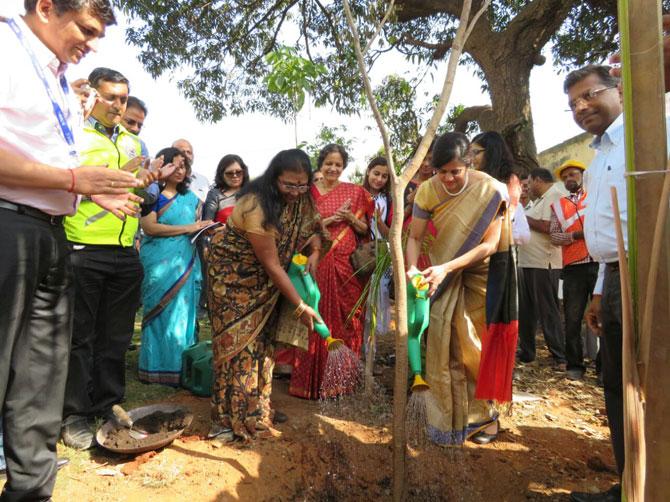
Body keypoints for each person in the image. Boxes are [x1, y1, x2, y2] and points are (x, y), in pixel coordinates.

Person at [0, 1, 142, 498]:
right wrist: (71, 179)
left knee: (40, 381)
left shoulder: (59, 76)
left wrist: (83, 189)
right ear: (43, 8)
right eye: (85, 28)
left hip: (50, 233)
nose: (92, 43)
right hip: (8, 227)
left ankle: (30, 492)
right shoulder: (5, 50)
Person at [208, 149, 323, 441]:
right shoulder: (256, 204)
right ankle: (230, 416)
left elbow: (315, 228)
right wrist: (300, 306)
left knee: (264, 344)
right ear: (274, 179)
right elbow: (271, 264)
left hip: (268, 283)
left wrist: (315, 251)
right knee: (241, 348)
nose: (296, 192)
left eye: (302, 185)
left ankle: (257, 409)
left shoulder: (302, 200)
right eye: (289, 185)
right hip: (235, 283)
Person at [61, 67, 147, 450]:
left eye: (123, 98)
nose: (118, 105)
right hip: (82, 248)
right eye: (110, 97)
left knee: (115, 337)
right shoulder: (72, 134)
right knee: (80, 337)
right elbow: (63, 181)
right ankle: (74, 413)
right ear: (93, 95)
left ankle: (108, 403)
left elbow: (129, 183)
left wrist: (142, 179)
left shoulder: (133, 143)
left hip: (125, 252)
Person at [406, 132, 508, 446]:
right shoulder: (426, 191)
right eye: (441, 172)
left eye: (455, 172)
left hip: (477, 275)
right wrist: (412, 269)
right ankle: (445, 421)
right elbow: (414, 238)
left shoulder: (491, 190)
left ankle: (484, 419)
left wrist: (447, 268)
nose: (448, 179)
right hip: (439, 275)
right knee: (439, 342)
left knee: (473, 344)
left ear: (468, 163)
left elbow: (490, 244)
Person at [564, 65, 627, 502]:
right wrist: (603, 291)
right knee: (619, 385)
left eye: (589, 95)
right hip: (616, 275)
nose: (581, 107)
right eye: (573, 104)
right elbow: (609, 233)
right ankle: (632, 482)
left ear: (618, 90)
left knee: (651, 384)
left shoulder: (648, 133)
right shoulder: (600, 155)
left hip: (651, 272)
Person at [289, 144, 373, 399]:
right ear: (321, 164)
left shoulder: (356, 193)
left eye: (338, 164)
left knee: (349, 318)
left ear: (344, 167)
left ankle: (344, 380)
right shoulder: (308, 194)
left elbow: (365, 229)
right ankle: (312, 383)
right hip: (316, 261)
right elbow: (299, 229)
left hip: (346, 264)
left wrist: (349, 218)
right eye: (329, 163)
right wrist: (329, 220)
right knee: (314, 315)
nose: (333, 168)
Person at [138, 147, 211, 385]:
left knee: (183, 314)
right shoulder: (152, 195)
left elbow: (195, 226)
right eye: (176, 165)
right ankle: (154, 369)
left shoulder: (192, 199)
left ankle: (182, 370)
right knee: (159, 315)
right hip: (159, 263)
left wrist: (204, 227)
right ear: (164, 165)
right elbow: (150, 228)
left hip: (186, 262)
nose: (181, 171)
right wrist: (187, 228)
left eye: (184, 166)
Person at [549, 160, 599, 381]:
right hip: (573, 268)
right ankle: (575, 366)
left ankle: (605, 370)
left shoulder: (596, 196)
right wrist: (578, 236)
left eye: (573, 174)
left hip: (600, 263)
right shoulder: (558, 206)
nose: (570, 178)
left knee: (604, 316)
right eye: (566, 176)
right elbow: (554, 236)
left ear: (582, 175)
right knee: (572, 318)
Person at [516, 167, 567, 368]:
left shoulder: (555, 194)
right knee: (526, 310)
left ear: (538, 180)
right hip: (527, 262)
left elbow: (550, 227)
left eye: (529, 183)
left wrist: (522, 218)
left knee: (548, 309)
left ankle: (559, 355)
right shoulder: (536, 202)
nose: (527, 188)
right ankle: (527, 352)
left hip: (544, 263)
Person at [470, 131, 530, 245]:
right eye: (470, 153)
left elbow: (523, 235)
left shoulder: (509, 183)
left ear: (492, 152)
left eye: (476, 152)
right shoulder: (474, 181)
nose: (472, 158)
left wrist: (492, 234)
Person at [361, 156, 393, 366]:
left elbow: (391, 233)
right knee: (360, 303)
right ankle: (357, 349)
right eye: (376, 173)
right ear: (368, 172)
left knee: (374, 302)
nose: (379, 179)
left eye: (384, 176)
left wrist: (379, 222)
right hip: (359, 254)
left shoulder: (388, 200)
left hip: (380, 255)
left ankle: (369, 353)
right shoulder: (357, 193)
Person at [203, 154, 250, 224]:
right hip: (222, 234)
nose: (235, 176)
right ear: (221, 175)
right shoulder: (215, 194)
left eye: (239, 172)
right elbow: (206, 225)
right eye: (230, 173)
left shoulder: (253, 193)